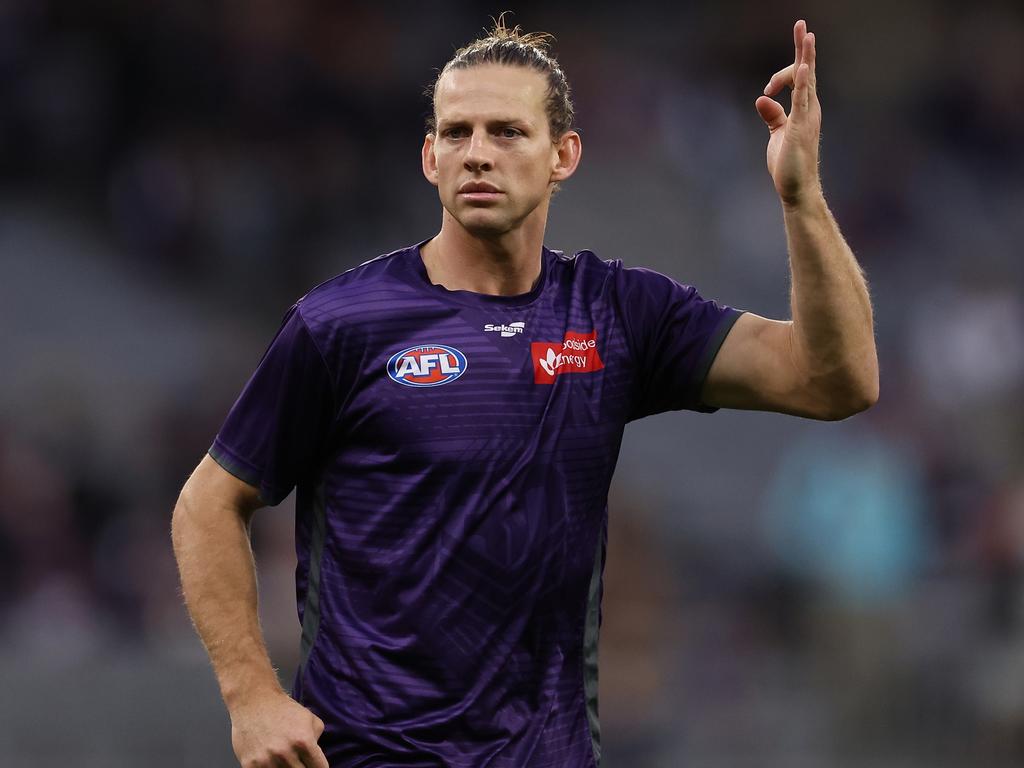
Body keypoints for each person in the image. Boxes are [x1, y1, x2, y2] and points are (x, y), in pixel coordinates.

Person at [171, 17, 877, 768]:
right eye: (456, 133)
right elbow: (207, 503)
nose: (477, 153)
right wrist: (250, 695)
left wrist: (800, 199)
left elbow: (835, 381)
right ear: (428, 156)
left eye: (507, 131)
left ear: (562, 155)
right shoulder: (342, 324)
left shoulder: (617, 313)